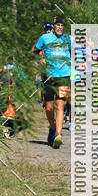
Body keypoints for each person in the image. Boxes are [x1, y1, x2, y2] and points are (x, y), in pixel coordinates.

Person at [34, 15, 73, 148]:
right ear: (53, 26)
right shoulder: (45, 38)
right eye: (57, 25)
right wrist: (40, 59)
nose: (59, 27)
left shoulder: (69, 39)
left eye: (62, 25)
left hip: (64, 76)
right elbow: (35, 50)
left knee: (60, 105)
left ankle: (58, 135)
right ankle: (52, 127)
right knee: (49, 107)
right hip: (49, 77)